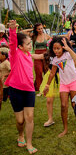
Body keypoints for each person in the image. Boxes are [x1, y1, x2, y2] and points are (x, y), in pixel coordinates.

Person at [5, 20, 44, 154]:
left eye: (30, 43)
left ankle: (29, 143)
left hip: (29, 90)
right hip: (15, 90)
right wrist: (12, 30)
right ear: (20, 46)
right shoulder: (15, 55)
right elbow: (12, 43)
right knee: (20, 120)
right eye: (27, 44)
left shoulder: (28, 54)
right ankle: (20, 135)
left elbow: (39, 55)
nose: (30, 46)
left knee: (29, 118)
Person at [44, 36, 76, 137]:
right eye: (54, 48)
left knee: (74, 104)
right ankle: (65, 129)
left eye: (58, 48)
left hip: (74, 82)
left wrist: (68, 49)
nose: (56, 51)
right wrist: (47, 85)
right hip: (64, 84)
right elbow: (52, 73)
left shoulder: (68, 54)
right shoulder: (55, 59)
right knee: (63, 106)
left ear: (63, 47)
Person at [21, 23, 51, 92]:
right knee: (38, 72)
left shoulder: (46, 36)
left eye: (41, 28)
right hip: (36, 55)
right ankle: (38, 87)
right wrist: (32, 29)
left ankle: (47, 86)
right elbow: (23, 32)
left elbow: (53, 39)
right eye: (39, 29)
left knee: (46, 71)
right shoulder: (33, 36)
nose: (40, 30)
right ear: (36, 30)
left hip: (45, 55)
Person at [39, 52, 60, 127]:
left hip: (62, 76)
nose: (55, 49)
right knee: (49, 100)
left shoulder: (63, 54)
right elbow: (37, 56)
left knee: (66, 100)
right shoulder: (48, 55)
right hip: (50, 77)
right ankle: (50, 119)